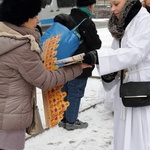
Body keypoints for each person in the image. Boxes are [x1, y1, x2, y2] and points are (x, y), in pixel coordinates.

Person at [0, 0, 91, 149]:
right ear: (21, 18)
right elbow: (45, 80)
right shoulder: (22, 47)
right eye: (34, 16)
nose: (38, 20)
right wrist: (77, 67)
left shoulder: (4, 39)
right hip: (11, 119)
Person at [83, 0, 150, 149]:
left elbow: (136, 52)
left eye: (116, 4)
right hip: (125, 88)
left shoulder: (146, 20)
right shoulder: (122, 24)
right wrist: (109, 73)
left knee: (141, 133)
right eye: (111, 5)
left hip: (142, 87)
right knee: (123, 133)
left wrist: (100, 57)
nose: (112, 9)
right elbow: (116, 53)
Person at [54, 0, 102, 130]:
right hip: (80, 64)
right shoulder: (86, 22)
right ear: (90, 6)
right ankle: (71, 121)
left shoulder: (67, 19)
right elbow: (96, 44)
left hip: (63, 62)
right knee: (75, 92)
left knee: (65, 91)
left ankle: (63, 119)